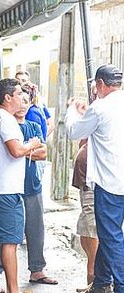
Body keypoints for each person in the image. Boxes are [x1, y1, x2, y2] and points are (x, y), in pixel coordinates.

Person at [66, 64, 124, 293]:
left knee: (111, 238)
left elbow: (74, 132)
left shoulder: (99, 107)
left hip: (110, 183)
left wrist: (72, 110)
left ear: (100, 84)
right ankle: (101, 282)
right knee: (110, 234)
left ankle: (120, 286)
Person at [0, 78, 41, 293]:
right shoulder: (5, 119)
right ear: (7, 98)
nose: (21, 98)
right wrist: (32, 144)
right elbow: (16, 151)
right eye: (18, 94)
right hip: (6, 190)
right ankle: (13, 290)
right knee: (10, 242)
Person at [11, 86, 57, 285]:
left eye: (25, 101)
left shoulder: (33, 125)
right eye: (18, 100)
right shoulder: (7, 125)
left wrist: (22, 151)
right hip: (9, 186)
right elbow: (11, 152)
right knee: (7, 230)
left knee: (36, 228)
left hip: (32, 184)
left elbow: (44, 153)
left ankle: (37, 270)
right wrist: (28, 150)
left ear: (29, 103)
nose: (22, 105)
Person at [73, 141, 98, 292]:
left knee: (91, 229)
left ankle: (95, 278)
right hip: (88, 178)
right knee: (86, 230)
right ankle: (95, 279)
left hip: (95, 181)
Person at [15, 71, 54, 141]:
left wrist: (41, 138)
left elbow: (51, 124)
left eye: (23, 80)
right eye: (17, 80)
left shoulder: (33, 111)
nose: (20, 83)